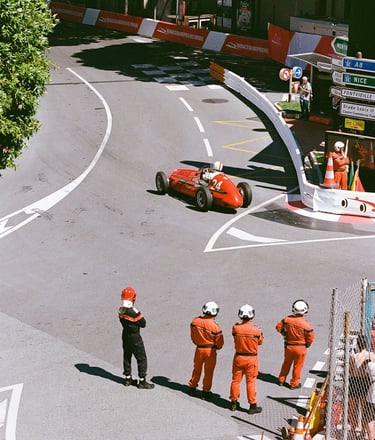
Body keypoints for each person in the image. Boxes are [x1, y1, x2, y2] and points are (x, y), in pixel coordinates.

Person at [229, 304, 264, 415]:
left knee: (235, 380)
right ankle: (252, 405)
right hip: (251, 358)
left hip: (239, 357)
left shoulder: (235, 328)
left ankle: (233, 402)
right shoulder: (256, 330)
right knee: (251, 382)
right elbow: (260, 342)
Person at [118, 286, 154, 389]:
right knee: (141, 358)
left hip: (125, 335)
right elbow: (143, 323)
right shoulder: (133, 312)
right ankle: (142, 381)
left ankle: (127, 378)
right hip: (135, 337)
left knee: (127, 356)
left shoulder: (121, 310)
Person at [188, 301, 224, 399]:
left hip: (199, 349)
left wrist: (197, 343)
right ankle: (206, 391)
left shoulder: (195, 321)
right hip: (210, 351)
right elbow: (220, 342)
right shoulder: (215, 326)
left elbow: (193, 336)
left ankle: (192, 387)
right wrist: (217, 347)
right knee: (209, 371)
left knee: (196, 369)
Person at [276, 299, 315, 389]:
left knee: (286, 363)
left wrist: (284, 334)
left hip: (289, 346)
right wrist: (308, 344)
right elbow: (310, 337)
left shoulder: (287, 319)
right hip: (301, 348)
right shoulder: (306, 325)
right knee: (298, 366)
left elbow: (278, 327)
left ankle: (281, 380)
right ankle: (294, 383)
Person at [348, 334, 375, 434]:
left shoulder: (354, 356)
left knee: (353, 408)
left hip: (354, 381)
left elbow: (350, 371)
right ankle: (364, 430)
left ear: (357, 345)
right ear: (366, 344)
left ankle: (353, 429)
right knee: (364, 408)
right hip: (366, 382)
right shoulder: (371, 355)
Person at [365, 358, 375, 440]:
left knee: (369, 419)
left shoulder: (371, 365)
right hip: (372, 397)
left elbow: (366, 373)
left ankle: (371, 437)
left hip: (372, 397)